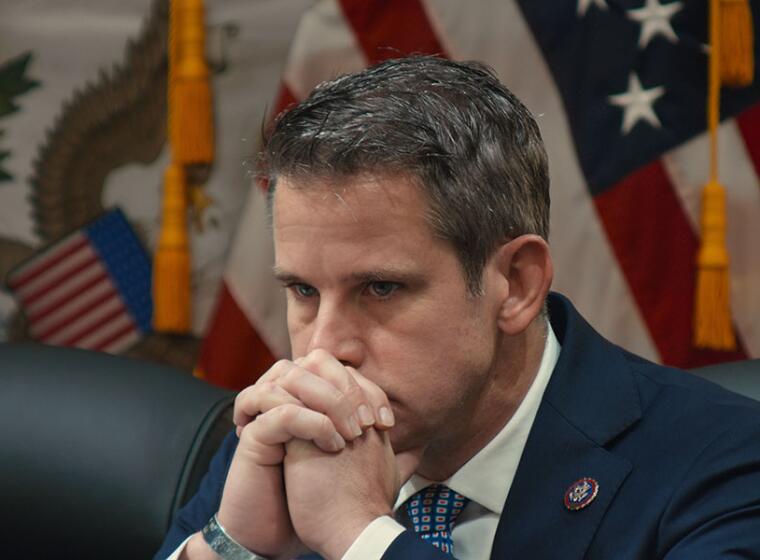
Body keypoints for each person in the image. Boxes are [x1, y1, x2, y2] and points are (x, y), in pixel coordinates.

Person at [155, 56, 760, 560]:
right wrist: (231, 547)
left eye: (381, 289)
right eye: (304, 292)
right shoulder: (288, 435)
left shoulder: (725, 464)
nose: (323, 349)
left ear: (516, 285)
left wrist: (362, 537)